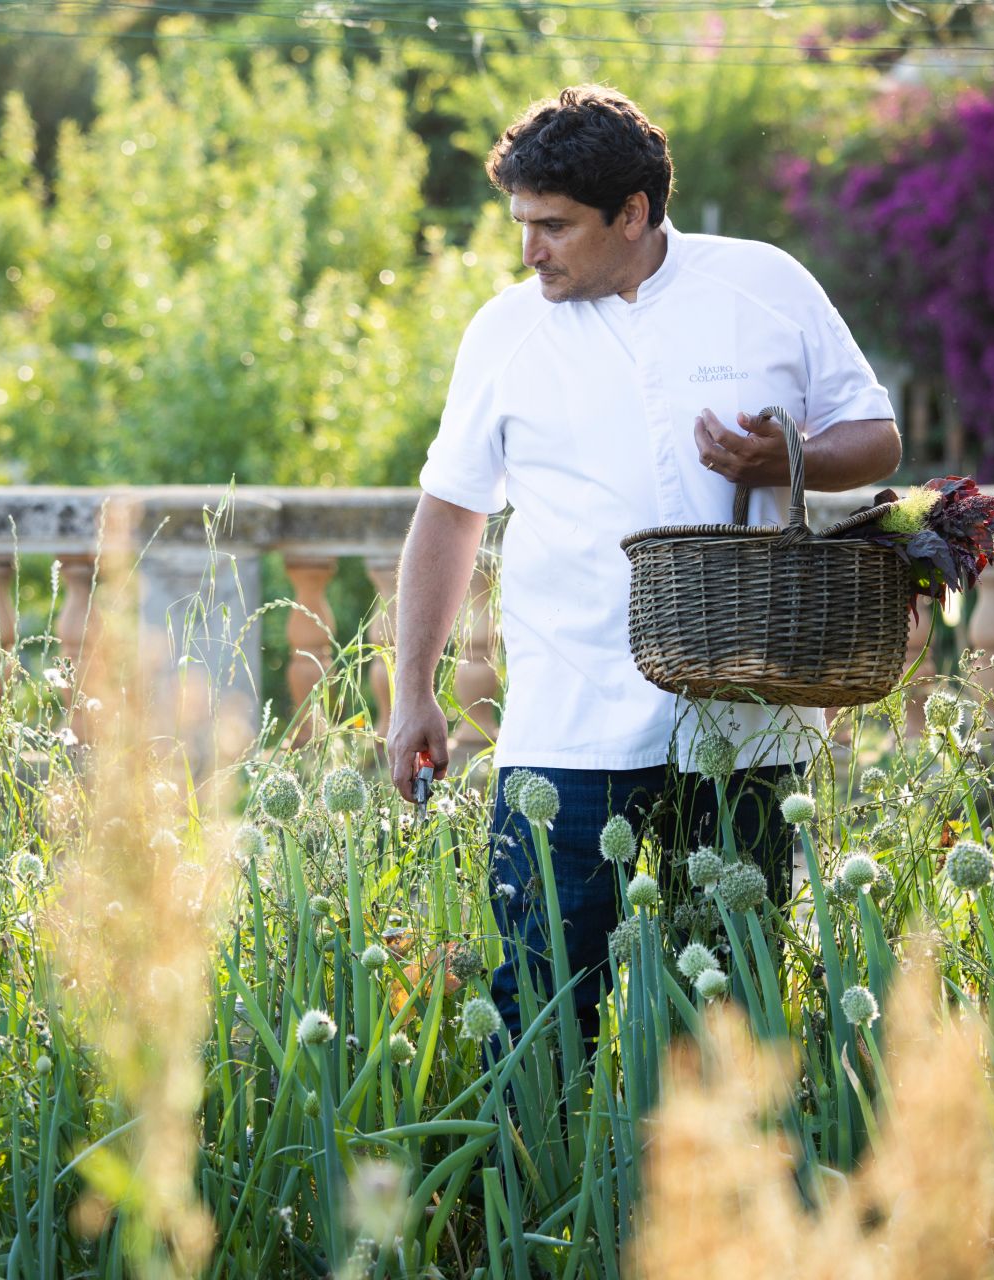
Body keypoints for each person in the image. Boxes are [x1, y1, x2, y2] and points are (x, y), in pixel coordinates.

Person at [387, 85, 901, 1041]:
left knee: (728, 1022)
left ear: (634, 214)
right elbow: (450, 510)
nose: (529, 251)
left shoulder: (766, 284)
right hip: (567, 731)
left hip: (746, 722)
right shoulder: (505, 330)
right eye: (522, 224)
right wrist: (412, 686)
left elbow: (877, 439)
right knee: (539, 1017)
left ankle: (708, 1194)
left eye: (553, 226)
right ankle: (532, 1194)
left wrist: (779, 458)